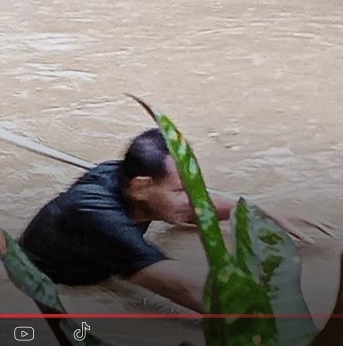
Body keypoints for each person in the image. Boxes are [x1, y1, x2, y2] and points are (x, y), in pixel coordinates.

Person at [19, 128, 324, 312]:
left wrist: (251, 212)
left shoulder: (127, 179)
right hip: (48, 281)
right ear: (141, 186)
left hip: (97, 260)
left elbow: (187, 210)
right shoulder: (97, 216)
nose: (191, 198)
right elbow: (183, 288)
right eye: (180, 190)